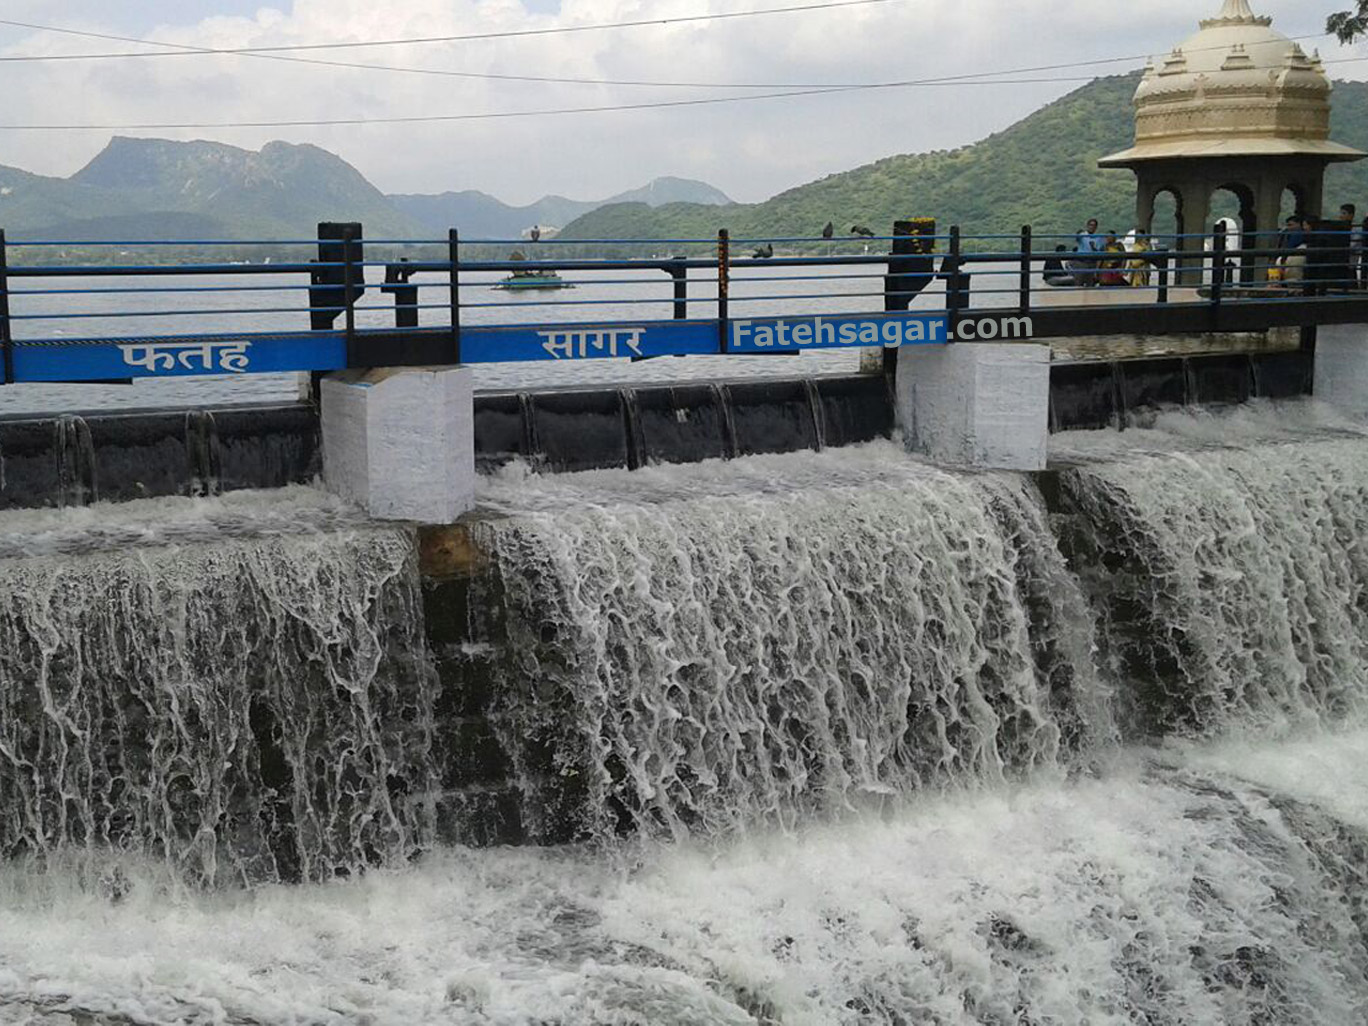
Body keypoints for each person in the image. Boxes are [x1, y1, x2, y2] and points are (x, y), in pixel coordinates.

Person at [1071, 219, 1105, 285]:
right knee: (1078, 283)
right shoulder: (1082, 235)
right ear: (1087, 226)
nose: (1092, 227)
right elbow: (1076, 238)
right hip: (1081, 262)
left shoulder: (1098, 238)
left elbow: (1099, 251)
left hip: (1092, 263)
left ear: (1096, 227)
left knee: (1090, 284)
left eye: (1094, 226)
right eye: (1091, 225)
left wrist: (1093, 247)